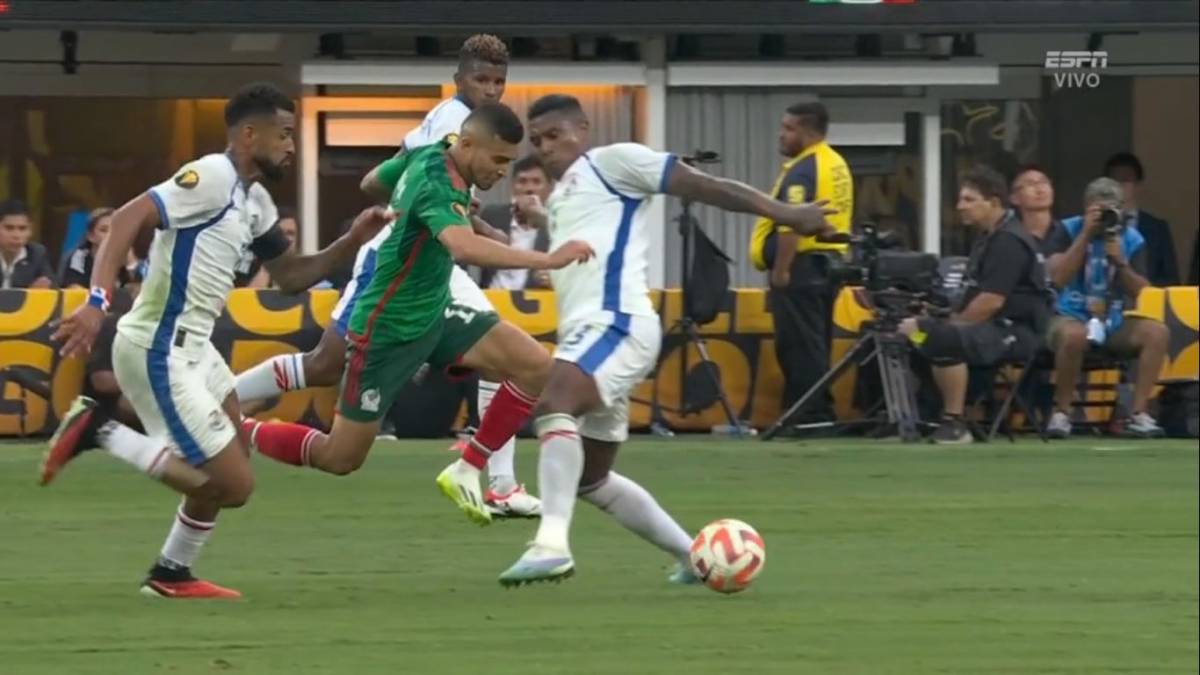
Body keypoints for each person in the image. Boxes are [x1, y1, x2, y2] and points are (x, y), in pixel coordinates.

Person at [41, 82, 392, 599]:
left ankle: (171, 574)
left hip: (195, 348)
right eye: (286, 135)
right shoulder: (210, 175)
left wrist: (350, 241)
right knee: (234, 487)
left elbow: (292, 275)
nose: (292, 146)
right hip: (157, 347)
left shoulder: (254, 200)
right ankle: (103, 431)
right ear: (250, 134)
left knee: (229, 451)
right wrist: (96, 301)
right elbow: (128, 218)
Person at [492, 94, 834, 586]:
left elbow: (705, 185)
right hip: (591, 335)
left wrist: (786, 213)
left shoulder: (614, 161)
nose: (545, 147)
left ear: (581, 129)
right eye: (537, 140)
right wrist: (540, 219)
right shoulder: (567, 192)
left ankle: (550, 544)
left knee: (554, 402)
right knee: (590, 477)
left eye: (553, 135)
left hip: (617, 323)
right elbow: (589, 231)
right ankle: (695, 557)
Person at [232, 34, 541, 518]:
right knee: (323, 368)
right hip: (400, 259)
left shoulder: (467, 130)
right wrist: (494, 234)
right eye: (481, 79)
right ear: (459, 80)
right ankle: (225, 408)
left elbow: (380, 179)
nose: (491, 89)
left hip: (432, 264)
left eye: (499, 81)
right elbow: (418, 191)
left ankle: (496, 480)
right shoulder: (453, 126)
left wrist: (458, 213)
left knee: (516, 362)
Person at [898, 166, 1054, 445]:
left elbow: (991, 302)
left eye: (969, 200)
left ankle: (955, 424)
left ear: (993, 202)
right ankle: (924, 416)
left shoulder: (1008, 240)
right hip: (990, 327)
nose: (960, 207)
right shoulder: (989, 236)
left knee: (939, 338)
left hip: (1015, 333)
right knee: (911, 337)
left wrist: (949, 325)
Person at [747, 102, 854, 426]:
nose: (781, 135)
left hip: (800, 267)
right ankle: (816, 410)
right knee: (815, 342)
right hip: (826, 264)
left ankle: (809, 414)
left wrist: (781, 270)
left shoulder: (803, 170)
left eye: (789, 128)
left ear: (808, 132)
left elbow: (792, 222)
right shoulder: (834, 163)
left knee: (798, 346)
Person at [1040, 177, 1167, 439]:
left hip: (1112, 320)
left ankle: (1138, 414)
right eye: (1099, 210)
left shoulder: (1131, 238)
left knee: (1157, 332)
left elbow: (1142, 292)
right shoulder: (1066, 229)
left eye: (1112, 210)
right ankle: (1062, 413)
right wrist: (1086, 235)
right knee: (1074, 336)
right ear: (1086, 208)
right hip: (1068, 315)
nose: (1106, 217)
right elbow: (1057, 278)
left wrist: (1121, 263)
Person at [1103, 152, 1179, 287]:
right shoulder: (1097, 224)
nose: (1119, 186)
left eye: (1125, 180)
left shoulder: (1157, 228)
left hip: (1146, 302)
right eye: (1114, 181)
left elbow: (1170, 279)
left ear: (1138, 185)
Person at [480, 154, 553, 290]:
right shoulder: (492, 216)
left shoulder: (556, 226)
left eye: (536, 182)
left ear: (549, 189)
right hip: (490, 301)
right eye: (522, 181)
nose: (529, 188)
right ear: (513, 186)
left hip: (536, 305)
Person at [60, 207, 144, 291]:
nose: (111, 235)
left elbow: (146, 290)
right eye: (104, 230)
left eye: (116, 229)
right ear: (91, 236)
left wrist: (132, 264)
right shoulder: (79, 256)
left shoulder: (127, 255)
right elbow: (75, 288)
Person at [1010, 164, 1069, 256]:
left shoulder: (1069, 230)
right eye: (1030, 184)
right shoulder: (1010, 238)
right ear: (1014, 198)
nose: (1040, 189)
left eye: (1044, 182)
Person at [235, 207, 299, 288]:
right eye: (282, 233)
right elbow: (245, 298)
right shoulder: (247, 265)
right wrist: (267, 268)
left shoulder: (300, 270)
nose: (289, 239)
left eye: (292, 234)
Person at [0, 200, 54, 290]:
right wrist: (28, 293)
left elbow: (52, 287)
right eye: (9, 228)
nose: (16, 235)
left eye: (22, 229)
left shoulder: (37, 254)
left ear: (30, 231)